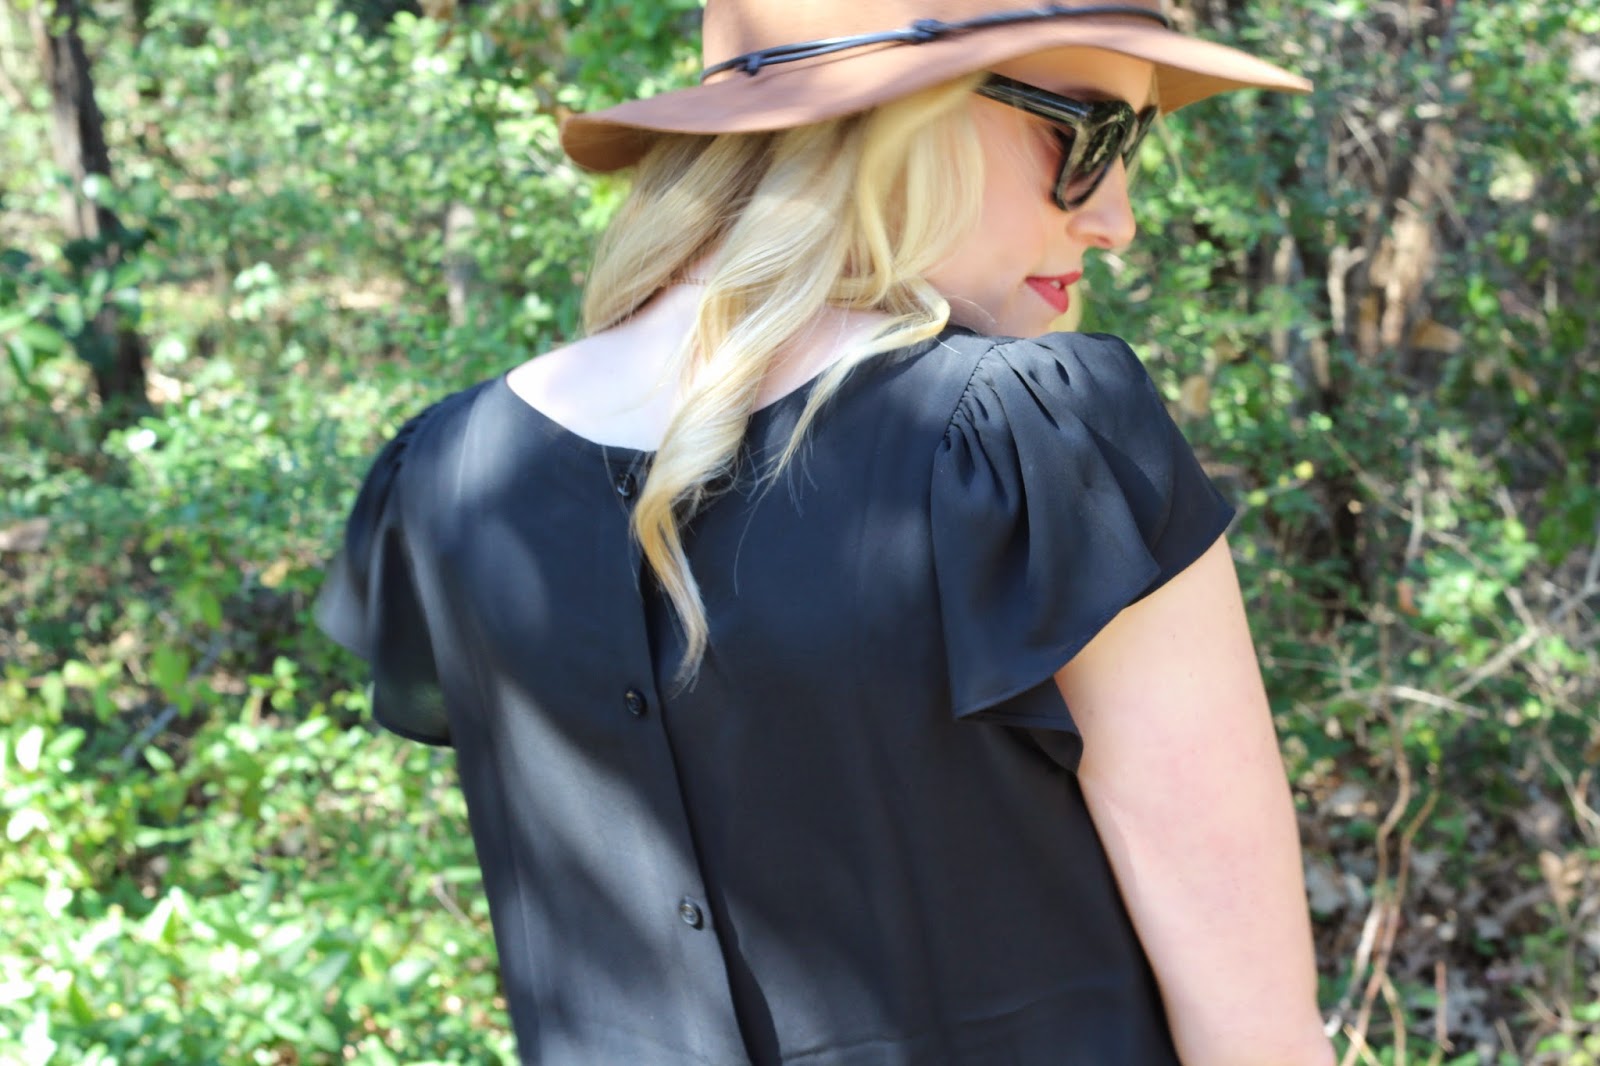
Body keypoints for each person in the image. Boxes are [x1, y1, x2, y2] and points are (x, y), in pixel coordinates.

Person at [317, 1, 1336, 1063]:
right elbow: (1255, 1031)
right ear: (886, 113)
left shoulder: (446, 472)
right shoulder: (1036, 439)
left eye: (1132, 146)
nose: (1115, 218)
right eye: (1081, 135)